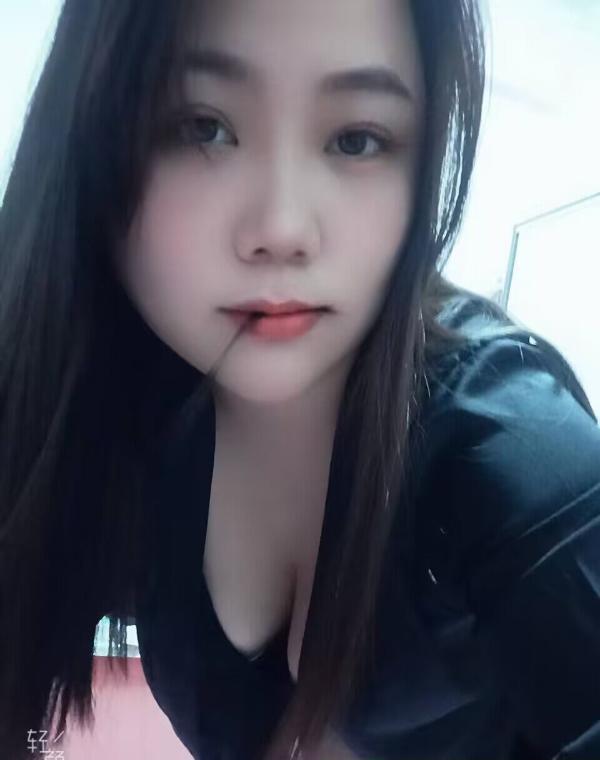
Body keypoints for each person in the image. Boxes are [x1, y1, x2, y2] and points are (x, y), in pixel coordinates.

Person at [0, 1, 598, 759]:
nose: (283, 229)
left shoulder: (514, 448)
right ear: (90, 141)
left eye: (356, 139)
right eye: (203, 127)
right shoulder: (125, 396)